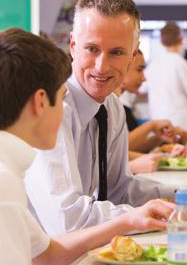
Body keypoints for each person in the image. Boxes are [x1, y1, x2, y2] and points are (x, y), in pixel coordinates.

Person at [25, 0, 187, 236]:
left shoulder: (112, 108)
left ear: (133, 54)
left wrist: (180, 196)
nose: (101, 66)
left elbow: (118, 190)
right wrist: (156, 212)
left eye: (116, 52)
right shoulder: (53, 108)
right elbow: (67, 221)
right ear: (73, 46)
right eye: (91, 49)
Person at [0, 28, 176, 264]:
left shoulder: (10, 174)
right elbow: (64, 225)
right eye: (62, 98)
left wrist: (130, 220)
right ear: (41, 102)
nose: (66, 110)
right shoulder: (4, 185)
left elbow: (47, 254)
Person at [146, 22, 187, 131]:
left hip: (157, 120)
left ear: (161, 42)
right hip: (180, 122)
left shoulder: (153, 65)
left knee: (162, 148)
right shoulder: (181, 63)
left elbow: (141, 90)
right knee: (182, 148)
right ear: (182, 40)